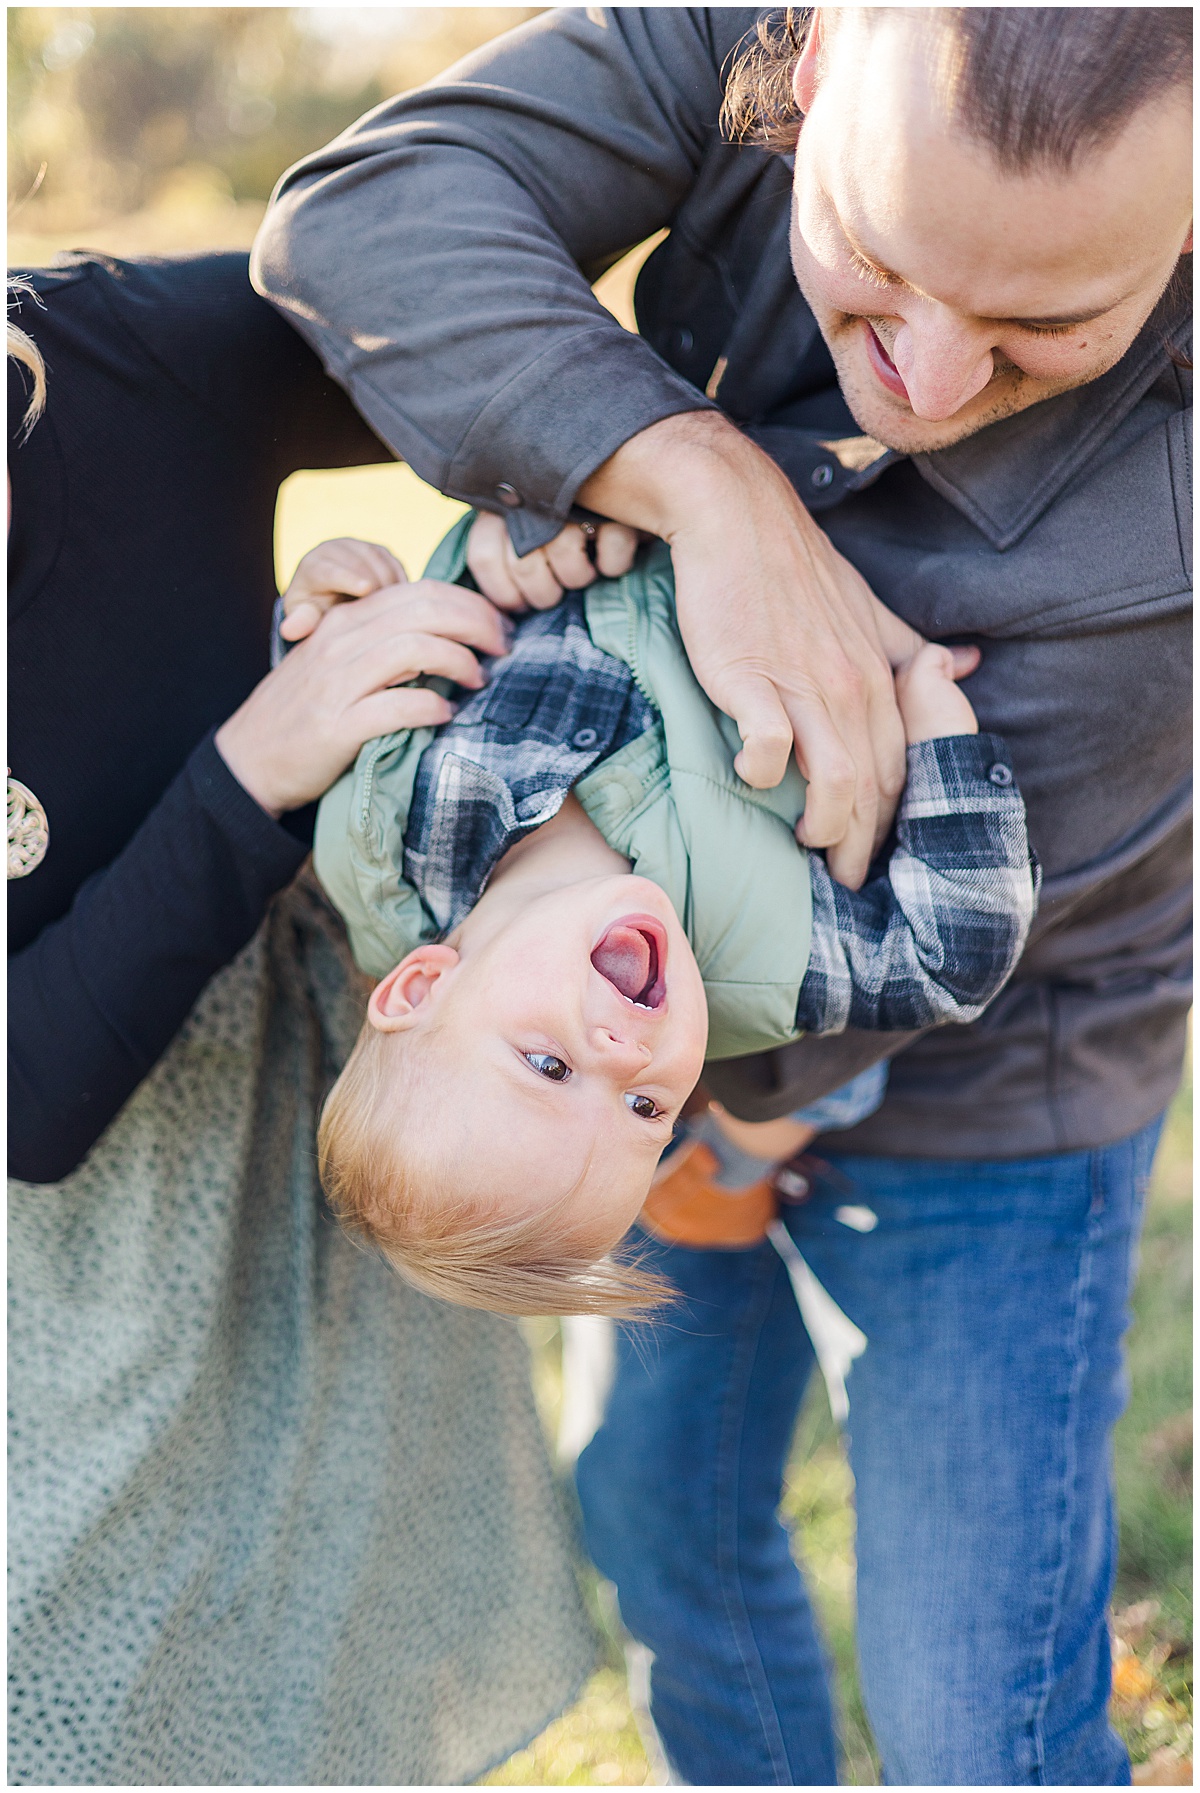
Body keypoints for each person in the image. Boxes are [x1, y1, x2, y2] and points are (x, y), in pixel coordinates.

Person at [252, 8, 1192, 1783]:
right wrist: (652, 489)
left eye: (1045, 323)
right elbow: (364, 222)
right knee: (657, 1512)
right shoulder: (442, 889)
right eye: (876, 259)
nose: (917, 373)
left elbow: (939, 934)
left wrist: (710, 1133)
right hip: (694, 1134)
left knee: (971, 1720)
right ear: (812, 66)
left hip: (996, 1085)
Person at [7, 252, 596, 1785]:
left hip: (315, 1139)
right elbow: (23, 1097)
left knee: (332, 1663)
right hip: (57, 1283)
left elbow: (487, 284)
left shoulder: (117, 357)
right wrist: (255, 752)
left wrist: (380, 644)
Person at [291, 522, 1036, 1314]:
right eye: (646, 1108)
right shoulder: (768, 964)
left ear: (421, 987)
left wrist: (337, 605)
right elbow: (949, 963)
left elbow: (340, 688)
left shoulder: (372, 846)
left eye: (550, 1067)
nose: (623, 1057)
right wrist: (938, 734)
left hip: (592, 493)